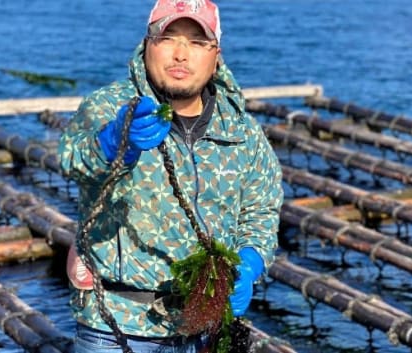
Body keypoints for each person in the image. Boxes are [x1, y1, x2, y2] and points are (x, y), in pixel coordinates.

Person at [58, 0, 283, 351]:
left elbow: (261, 212)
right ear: (148, 43)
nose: (181, 54)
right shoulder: (109, 107)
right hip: (115, 324)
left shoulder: (242, 131)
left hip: (204, 327)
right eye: (168, 38)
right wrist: (113, 143)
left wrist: (250, 262)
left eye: (197, 42)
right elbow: (72, 160)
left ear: (216, 55)